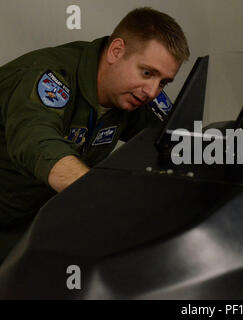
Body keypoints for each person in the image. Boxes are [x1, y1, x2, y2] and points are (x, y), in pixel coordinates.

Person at [0, 7, 190, 263]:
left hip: (30, 220)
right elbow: (37, 142)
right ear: (116, 51)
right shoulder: (50, 76)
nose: (153, 91)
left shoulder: (135, 94)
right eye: (147, 73)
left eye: (164, 82)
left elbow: (177, 138)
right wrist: (106, 203)